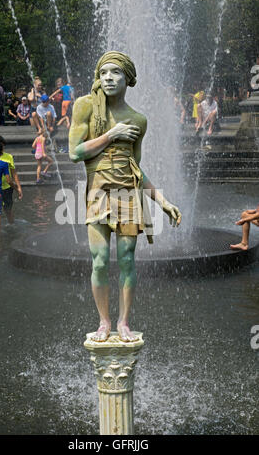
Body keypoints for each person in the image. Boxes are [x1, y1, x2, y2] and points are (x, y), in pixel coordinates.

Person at [69, 51, 182, 343]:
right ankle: (104, 321)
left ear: (128, 79)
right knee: (100, 260)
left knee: (128, 260)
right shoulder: (85, 107)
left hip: (129, 195)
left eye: (116, 72)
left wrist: (162, 201)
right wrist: (112, 134)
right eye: (103, 72)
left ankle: (124, 322)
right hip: (97, 193)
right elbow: (75, 153)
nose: (108, 77)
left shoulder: (137, 120)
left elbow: (136, 168)